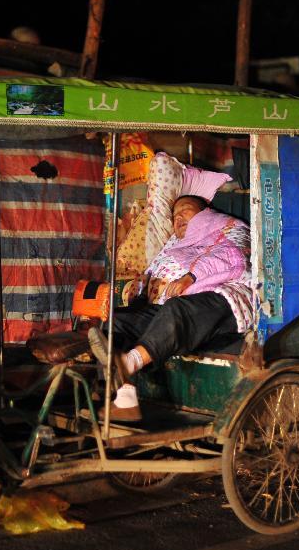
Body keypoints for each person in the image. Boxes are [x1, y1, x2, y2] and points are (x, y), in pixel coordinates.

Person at [89, 165, 253, 422]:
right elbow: (154, 272)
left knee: (177, 310)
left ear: (205, 213)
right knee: (117, 321)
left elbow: (233, 258)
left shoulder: (228, 227)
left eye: (184, 212)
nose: (177, 219)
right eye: (174, 216)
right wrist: (140, 287)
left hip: (222, 297)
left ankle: (128, 364)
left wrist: (192, 276)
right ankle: (122, 394)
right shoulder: (174, 243)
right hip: (171, 301)